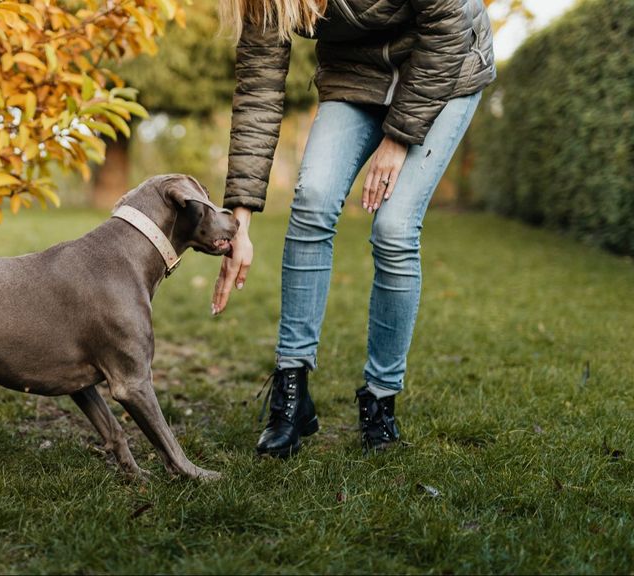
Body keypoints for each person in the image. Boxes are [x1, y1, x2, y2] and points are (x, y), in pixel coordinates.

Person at [212, 0, 496, 457]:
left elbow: (448, 27)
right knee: (312, 200)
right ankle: (291, 395)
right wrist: (238, 221)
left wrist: (399, 136)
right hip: (357, 74)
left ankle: (380, 400)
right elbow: (259, 91)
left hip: (447, 65)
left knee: (395, 228)